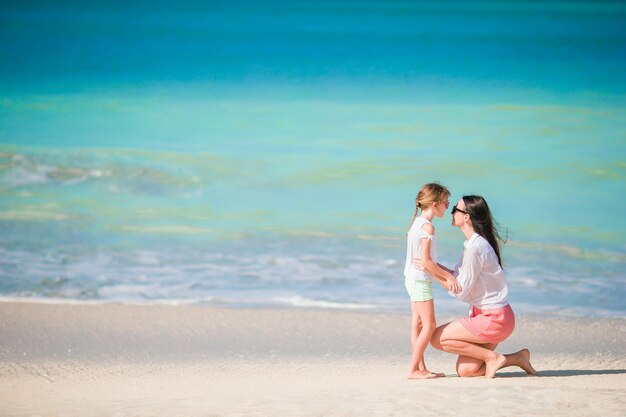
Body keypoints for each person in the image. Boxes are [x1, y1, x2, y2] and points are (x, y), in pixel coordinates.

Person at [414, 195, 536, 378]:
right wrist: (432, 265)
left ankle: (491, 357)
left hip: (495, 319)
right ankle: (517, 358)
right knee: (466, 371)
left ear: (466, 217)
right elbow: (456, 277)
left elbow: (460, 290)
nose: (452, 211)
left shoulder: (476, 247)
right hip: (496, 317)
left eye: (456, 208)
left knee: (437, 338)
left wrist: (431, 271)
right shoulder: (472, 244)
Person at [403, 183, 462, 379]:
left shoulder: (416, 224)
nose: (448, 205)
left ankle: (420, 368)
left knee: (418, 324)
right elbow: (427, 261)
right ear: (435, 204)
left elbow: (426, 261)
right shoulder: (428, 227)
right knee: (429, 325)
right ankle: (413, 370)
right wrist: (448, 276)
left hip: (412, 278)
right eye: (446, 202)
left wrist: (445, 270)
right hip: (420, 281)